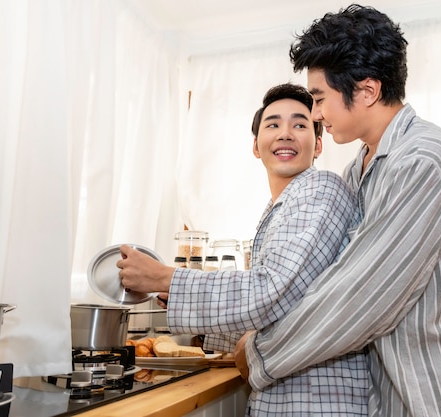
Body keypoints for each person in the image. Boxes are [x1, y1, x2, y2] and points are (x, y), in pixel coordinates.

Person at [234, 4, 441, 417]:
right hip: (391, 392)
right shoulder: (359, 170)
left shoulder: (422, 158)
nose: (316, 114)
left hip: (434, 394)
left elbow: (360, 295)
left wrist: (259, 355)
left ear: (367, 90)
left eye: (319, 99)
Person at [118, 83, 370, 416]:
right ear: (255, 146)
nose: (285, 134)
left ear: (318, 144)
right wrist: (200, 327)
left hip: (316, 400)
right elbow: (278, 317)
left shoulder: (321, 189)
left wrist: (166, 278)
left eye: (299, 124)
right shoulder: (281, 207)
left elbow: (273, 290)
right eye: (273, 125)